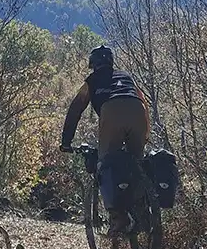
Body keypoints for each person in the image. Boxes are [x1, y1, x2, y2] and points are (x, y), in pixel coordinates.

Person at [60, 44, 150, 234]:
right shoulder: (126, 77)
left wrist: (66, 141)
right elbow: (142, 102)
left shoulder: (91, 81)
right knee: (138, 165)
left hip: (112, 111)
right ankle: (144, 213)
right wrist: (145, 132)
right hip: (138, 111)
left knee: (105, 165)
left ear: (93, 64)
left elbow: (75, 109)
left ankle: (119, 218)